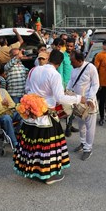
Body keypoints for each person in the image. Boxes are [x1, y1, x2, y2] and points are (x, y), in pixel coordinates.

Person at [14, 50, 86, 184]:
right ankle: (48, 176)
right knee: (47, 147)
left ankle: (32, 171)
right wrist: (78, 98)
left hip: (31, 116)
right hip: (46, 116)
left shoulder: (34, 70)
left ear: (48, 58)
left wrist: (35, 101)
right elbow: (60, 97)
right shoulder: (54, 74)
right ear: (59, 63)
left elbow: (27, 89)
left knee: (32, 145)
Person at [68, 51, 99, 161]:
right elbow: (71, 82)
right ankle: (82, 143)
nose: (71, 63)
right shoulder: (74, 69)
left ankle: (88, 149)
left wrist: (90, 98)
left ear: (80, 61)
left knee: (90, 127)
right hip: (78, 102)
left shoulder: (91, 68)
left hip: (89, 103)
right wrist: (67, 93)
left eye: (73, 61)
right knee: (81, 125)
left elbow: (96, 84)